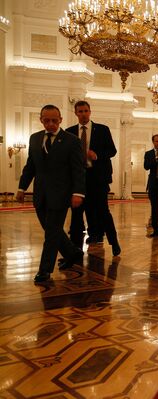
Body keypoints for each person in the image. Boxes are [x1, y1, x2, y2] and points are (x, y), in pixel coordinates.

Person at [16, 105, 86, 283]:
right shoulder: (35, 139)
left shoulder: (71, 141)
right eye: (46, 120)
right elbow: (30, 166)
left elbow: (78, 170)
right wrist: (22, 188)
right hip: (40, 195)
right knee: (52, 230)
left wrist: (78, 192)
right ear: (41, 120)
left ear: (60, 119)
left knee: (51, 233)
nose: (51, 124)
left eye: (54, 120)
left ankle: (44, 270)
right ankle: (72, 253)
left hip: (61, 195)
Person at [65, 100, 121, 256]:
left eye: (85, 111)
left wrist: (96, 155)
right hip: (78, 180)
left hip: (98, 179)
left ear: (90, 112)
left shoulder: (102, 130)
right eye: (80, 111)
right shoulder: (69, 132)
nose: (83, 114)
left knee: (103, 211)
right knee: (76, 214)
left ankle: (114, 242)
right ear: (76, 113)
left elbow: (112, 151)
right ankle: (75, 249)